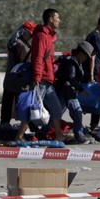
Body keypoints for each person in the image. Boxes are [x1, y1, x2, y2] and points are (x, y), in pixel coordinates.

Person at [21, 8, 65, 142]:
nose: (59, 21)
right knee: (32, 109)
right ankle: (19, 136)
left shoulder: (48, 36)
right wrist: (37, 78)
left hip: (48, 80)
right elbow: (38, 58)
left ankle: (58, 136)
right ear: (51, 19)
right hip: (41, 80)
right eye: (57, 18)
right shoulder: (41, 36)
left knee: (57, 109)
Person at [54, 41, 94, 144]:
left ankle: (79, 134)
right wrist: (81, 89)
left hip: (68, 92)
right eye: (86, 55)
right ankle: (79, 135)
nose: (86, 58)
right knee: (74, 113)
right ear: (80, 52)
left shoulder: (76, 61)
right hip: (66, 92)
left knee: (62, 114)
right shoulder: (72, 62)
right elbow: (71, 78)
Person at [0, 21, 37, 126]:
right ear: (25, 32)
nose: (31, 37)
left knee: (10, 105)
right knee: (18, 106)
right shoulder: (19, 45)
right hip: (16, 82)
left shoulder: (20, 43)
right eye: (30, 34)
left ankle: (8, 126)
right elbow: (21, 63)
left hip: (14, 81)